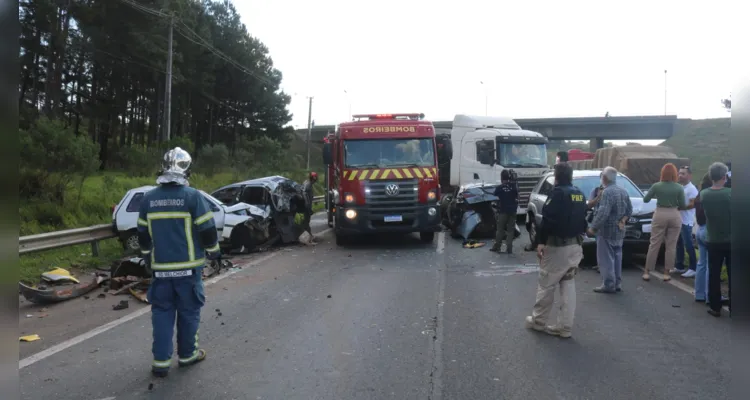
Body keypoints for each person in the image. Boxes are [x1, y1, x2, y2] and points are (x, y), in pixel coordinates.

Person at [137, 147, 221, 378]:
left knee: (162, 314)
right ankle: (187, 356)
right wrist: (215, 254)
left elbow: (143, 235)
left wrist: (147, 257)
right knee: (188, 313)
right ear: (187, 170)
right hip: (188, 271)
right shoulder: (193, 197)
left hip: (160, 271)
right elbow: (207, 230)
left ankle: (161, 362)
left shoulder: (148, 199)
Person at [525, 163, 587, 338]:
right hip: (575, 246)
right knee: (568, 285)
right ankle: (565, 326)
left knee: (546, 284)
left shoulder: (557, 194)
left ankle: (538, 321)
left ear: (557, 177)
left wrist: (541, 242)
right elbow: (583, 220)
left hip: (557, 247)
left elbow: (547, 221)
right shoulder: (579, 194)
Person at [587, 167, 633, 293]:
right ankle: (617, 283)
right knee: (617, 257)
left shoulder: (607, 192)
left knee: (606, 258)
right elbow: (629, 210)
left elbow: (603, 213)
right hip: (619, 230)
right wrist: (623, 220)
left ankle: (608, 284)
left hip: (606, 230)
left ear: (605, 178)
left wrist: (593, 228)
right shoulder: (623, 191)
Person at [641, 163, 685, 282]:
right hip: (674, 214)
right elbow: (683, 204)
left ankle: (647, 271)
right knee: (671, 246)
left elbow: (646, 200)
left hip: (660, 213)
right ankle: (667, 272)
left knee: (654, 243)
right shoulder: (679, 187)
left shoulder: (657, 186)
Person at [701, 162, 731, 317]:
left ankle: (715, 306)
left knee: (714, 273)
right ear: (724, 177)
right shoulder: (730, 193)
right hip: (731, 238)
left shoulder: (704, 194)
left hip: (713, 239)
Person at [674, 166, 699, 277]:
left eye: (683, 174)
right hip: (678, 220)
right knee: (678, 244)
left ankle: (693, 268)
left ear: (689, 175)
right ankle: (679, 266)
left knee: (688, 244)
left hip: (686, 221)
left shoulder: (692, 189)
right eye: (679, 173)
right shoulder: (681, 187)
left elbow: (693, 204)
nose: (680, 175)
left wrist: (680, 207)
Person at [490, 169, 519, 254]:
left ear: (501, 178)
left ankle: (497, 247)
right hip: (513, 211)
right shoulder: (514, 187)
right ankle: (509, 249)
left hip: (503, 211)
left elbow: (494, 196)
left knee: (500, 230)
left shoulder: (499, 188)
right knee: (510, 230)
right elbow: (517, 195)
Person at [693, 173, 711, 303]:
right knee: (711, 264)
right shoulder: (710, 196)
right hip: (709, 230)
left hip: (700, 230)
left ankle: (699, 294)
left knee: (701, 263)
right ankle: (710, 294)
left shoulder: (699, 196)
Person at [302, 171, 318, 244]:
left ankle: (309, 235)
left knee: (307, 221)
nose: (315, 179)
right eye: (314, 178)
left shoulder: (308, 183)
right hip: (306, 205)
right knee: (306, 221)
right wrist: (308, 205)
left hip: (308, 204)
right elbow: (305, 193)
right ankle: (308, 235)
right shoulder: (308, 184)